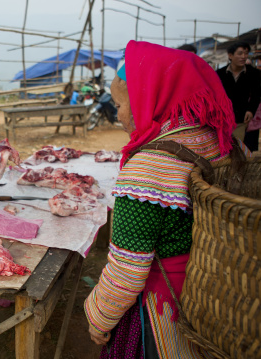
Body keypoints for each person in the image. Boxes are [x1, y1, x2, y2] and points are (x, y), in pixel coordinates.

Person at [84, 40, 250, 358]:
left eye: (119, 105)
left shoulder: (148, 170)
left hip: (171, 307)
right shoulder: (231, 145)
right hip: (227, 297)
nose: (117, 115)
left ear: (145, 99)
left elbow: (127, 271)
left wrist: (98, 318)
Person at [217, 41, 261, 151]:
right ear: (230, 55)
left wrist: (251, 110)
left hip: (245, 119)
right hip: (225, 118)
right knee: (226, 149)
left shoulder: (254, 73)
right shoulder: (220, 74)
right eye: (240, 53)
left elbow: (257, 94)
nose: (244, 57)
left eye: (246, 54)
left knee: (245, 149)